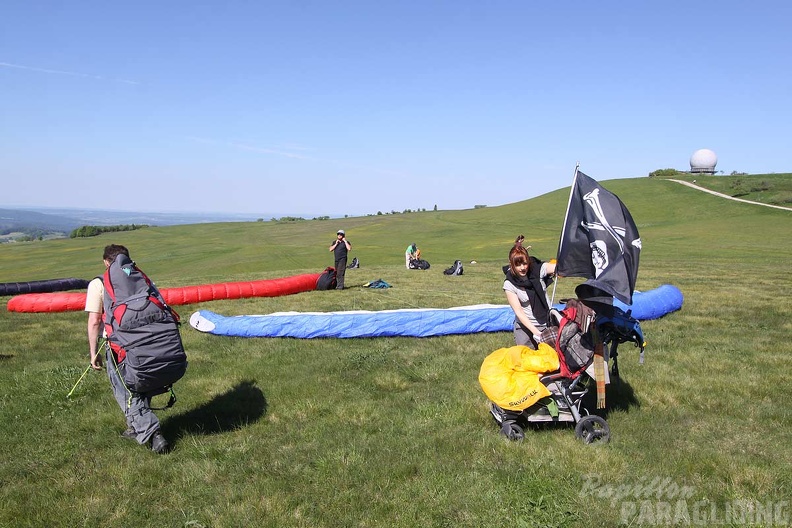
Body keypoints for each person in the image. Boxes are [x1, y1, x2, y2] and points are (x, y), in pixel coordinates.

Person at [85, 244, 169, 454]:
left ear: (106, 262)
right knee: (142, 384)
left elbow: (95, 320)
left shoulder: (99, 283)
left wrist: (93, 351)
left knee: (125, 391)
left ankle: (152, 433)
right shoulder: (140, 277)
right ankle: (135, 426)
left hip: (118, 346)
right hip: (149, 341)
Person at [503, 245, 556, 349]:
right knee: (527, 361)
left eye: (525, 263)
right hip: (525, 328)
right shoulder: (509, 284)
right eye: (518, 265)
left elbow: (557, 267)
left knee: (551, 360)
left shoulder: (537, 269)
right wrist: (537, 333)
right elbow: (519, 312)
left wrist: (562, 265)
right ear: (512, 265)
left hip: (546, 323)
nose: (522, 268)